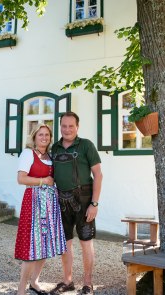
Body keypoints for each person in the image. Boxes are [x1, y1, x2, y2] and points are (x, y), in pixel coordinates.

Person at [50, 111, 103, 295]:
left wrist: (94, 204)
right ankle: (68, 281)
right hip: (61, 201)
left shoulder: (86, 145)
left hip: (84, 199)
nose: (67, 129)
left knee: (86, 242)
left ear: (77, 127)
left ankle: (88, 284)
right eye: (64, 126)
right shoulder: (55, 148)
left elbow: (98, 175)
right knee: (65, 244)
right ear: (60, 127)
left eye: (71, 126)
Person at [15, 123, 67, 295]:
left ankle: (34, 282)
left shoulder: (50, 156)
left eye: (47, 135)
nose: (44, 138)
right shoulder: (27, 153)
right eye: (41, 135)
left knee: (44, 246)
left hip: (50, 205)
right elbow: (21, 179)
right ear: (34, 137)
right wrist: (43, 181)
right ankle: (21, 289)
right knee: (32, 247)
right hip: (34, 203)